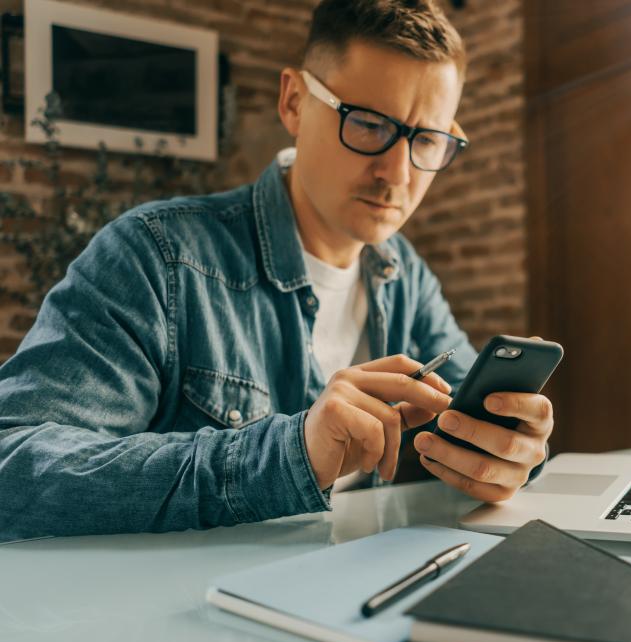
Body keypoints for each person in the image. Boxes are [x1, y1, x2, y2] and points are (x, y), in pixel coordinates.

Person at [0, 0, 553, 541]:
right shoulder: (156, 256)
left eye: (426, 139)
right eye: (366, 124)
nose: (397, 173)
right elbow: (14, 467)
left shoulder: (402, 272)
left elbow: (468, 424)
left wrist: (506, 453)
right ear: (293, 102)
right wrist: (287, 456)